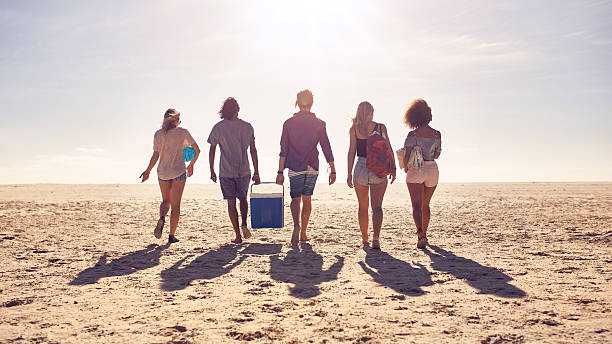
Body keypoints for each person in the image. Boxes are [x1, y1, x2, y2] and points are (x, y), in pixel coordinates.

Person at [276, 89, 336, 247]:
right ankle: (303, 233)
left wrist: (280, 171)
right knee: (307, 199)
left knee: (295, 199)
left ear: (297, 102)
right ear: (312, 103)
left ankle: (296, 225)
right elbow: (326, 147)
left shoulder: (288, 123)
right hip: (312, 166)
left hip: (295, 165)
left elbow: (283, 149)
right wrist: (333, 168)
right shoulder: (319, 123)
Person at [140, 108, 200, 244]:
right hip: (179, 171)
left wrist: (147, 171)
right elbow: (197, 150)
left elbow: (155, 155)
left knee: (165, 201)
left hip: (162, 173)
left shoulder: (158, 134)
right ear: (176, 120)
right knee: (176, 206)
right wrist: (191, 165)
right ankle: (171, 236)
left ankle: (161, 218)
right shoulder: (183, 132)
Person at [208, 97, 260, 244]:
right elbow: (253, 150)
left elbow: (212, 149)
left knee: (231, 203)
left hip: (225, 171)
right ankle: (244, 223)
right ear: (237, 109)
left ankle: (237, 235)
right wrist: (256, 171)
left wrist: (211, 170)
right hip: (244, 169)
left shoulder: (218, 127)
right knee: (243, 198)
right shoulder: (247, 126)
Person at [347, 101, 396, 250]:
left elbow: (351, 152)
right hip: (378, 166)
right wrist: (393, 168)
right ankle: (376, 238)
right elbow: (389, 148)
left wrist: (349, 173)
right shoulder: (380, 127)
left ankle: (365, 239)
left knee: (363, 207)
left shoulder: (354, 129)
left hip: (360, 167)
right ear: (371, 112)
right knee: (377, 207)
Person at [402, 99, 442, 249]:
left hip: (416, 170)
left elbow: (407, 154)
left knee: (416, 206)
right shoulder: (437, 134)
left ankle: (420, 234)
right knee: (426, 205)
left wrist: (406, 167)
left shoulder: (412, 134)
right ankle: (425, 233)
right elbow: (437, 154)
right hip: (432, 169)